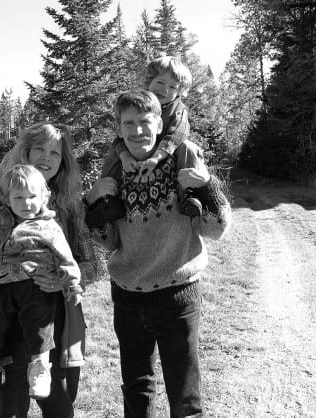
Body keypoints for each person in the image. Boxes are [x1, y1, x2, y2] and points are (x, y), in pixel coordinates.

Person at [85, 89, 231, 417]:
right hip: (127, 299)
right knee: (136, 391)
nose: (138, 131)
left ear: (159, 122)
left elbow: (216, 229)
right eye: (129, 123)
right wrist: (93, 203)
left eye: (145, 122)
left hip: (177, 298)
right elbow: (107, 242)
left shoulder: (183, 157)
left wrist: (208, 186)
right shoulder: (114, 170)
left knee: (185, 396)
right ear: (119, 128)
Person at [0, 122, 96, 417]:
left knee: (60, 408)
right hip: (2, 324)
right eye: (40, 150)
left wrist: (61, 280)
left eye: (55, 153)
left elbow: (92, 266)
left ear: (63, 161)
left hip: (55, 321)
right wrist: (28, 270)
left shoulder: (69, 206)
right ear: (25, 153)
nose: (47, 158)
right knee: (9, 409)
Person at [0, 164, 83, 400]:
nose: (26, 203)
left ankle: (40, 367)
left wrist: (71, 284)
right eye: (19, 197)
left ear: (44, 197)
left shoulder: (49, 227)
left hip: (32, 286)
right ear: (7, 199)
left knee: (39, 320)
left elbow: (65, 257)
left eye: (32, 197)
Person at [90, 56, 202, 229]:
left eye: (172, 87)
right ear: (149, 81)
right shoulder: (140, 103)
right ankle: (108, 200)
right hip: (141, 149)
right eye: (160, 82)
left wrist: (157, 157)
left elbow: (176, 135)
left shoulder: (178, 110)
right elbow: (120, 137)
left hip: (168, 147)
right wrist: (125, 156)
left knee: (188, 148)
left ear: (179, 92)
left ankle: (189, 194)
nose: (165, 89)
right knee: (115, 154)